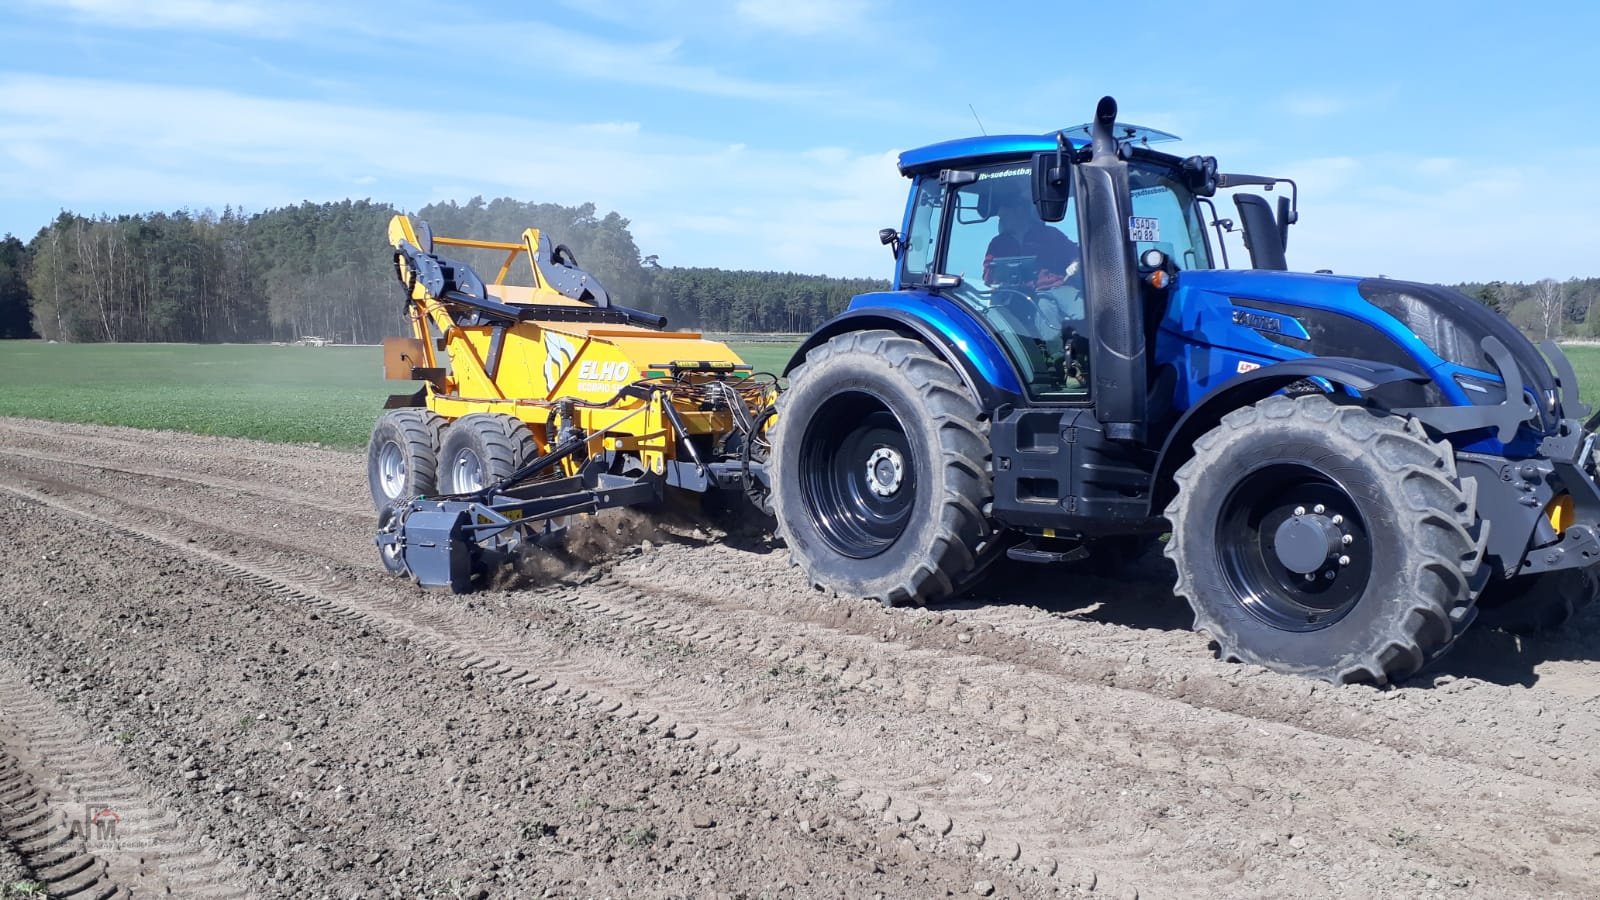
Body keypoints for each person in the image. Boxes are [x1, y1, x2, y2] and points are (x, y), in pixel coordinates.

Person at [983, 196, 1080, 290]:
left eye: (1005, 215)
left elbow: (1075, 253)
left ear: (1020, 212)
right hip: (1014, 296)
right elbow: (987, 275)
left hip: (1057, 289)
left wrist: (1075, 263)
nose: (1001, 219)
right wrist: (995, 278)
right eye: (1001, 217)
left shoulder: (1050, 234)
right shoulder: (997, 244)